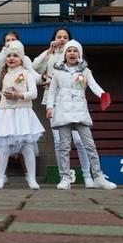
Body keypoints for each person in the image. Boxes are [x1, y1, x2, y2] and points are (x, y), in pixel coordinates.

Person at [45, 40, 116, 190]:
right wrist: (50, 107)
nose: (72, 53)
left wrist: (103, 95)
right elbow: (51, 92)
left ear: (80, 54)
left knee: (90, 145)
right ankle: (65, 178)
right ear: (65, 54)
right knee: (64, 147)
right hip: (63, 113)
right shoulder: (57, 72)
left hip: (80, 112)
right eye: (69, 50)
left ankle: (98, 177)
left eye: (75, 51)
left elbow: (94, 85)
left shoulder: (85, 71)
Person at [34, 28, 97, 188]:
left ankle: (87, 175)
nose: (61, 39)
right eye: (59, 37)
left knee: (79, 140)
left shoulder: (74, 56)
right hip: (54, 102)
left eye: (65, 37)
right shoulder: (50, 56)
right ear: (54, 39)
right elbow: (35, 67)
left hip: (74, 105)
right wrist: (49, 51)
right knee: (59, 142)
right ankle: (65, 177)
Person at [0, 40, 43, 190]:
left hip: (23, 113)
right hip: (6, 114)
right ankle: (0, 179)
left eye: (15, 55)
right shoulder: (1, 76)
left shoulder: (27, 74)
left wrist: (18, 95)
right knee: (4, 148)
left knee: (27, 148)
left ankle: (32, 179)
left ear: (21, 58)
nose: (11, 58)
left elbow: (34, 93)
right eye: (9, 56)